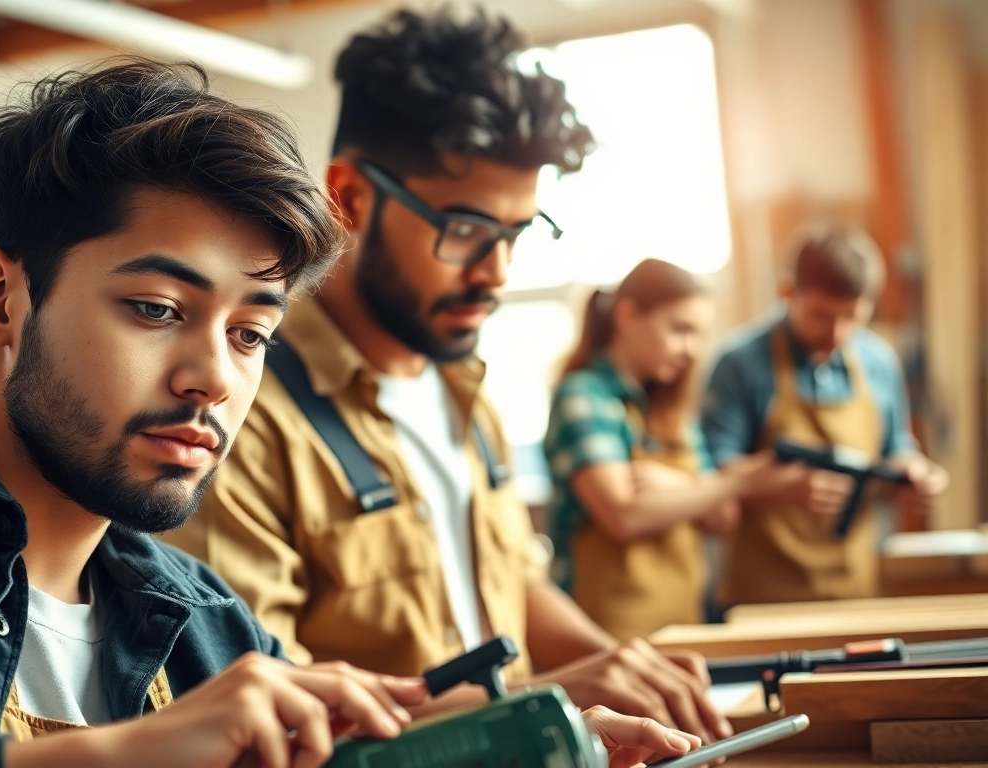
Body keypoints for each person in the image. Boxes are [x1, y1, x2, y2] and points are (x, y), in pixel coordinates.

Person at [0, 59, 702, 768]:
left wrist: (540, 738)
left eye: (251, 333)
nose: (213, 378)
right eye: (157, 309)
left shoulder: (200, 623)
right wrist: (124, 753)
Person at [164, 9, 733, 744]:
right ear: (351, 197)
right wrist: (545, 701)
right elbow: (264, 718)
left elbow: (510, 585)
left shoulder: (463, 387)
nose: (496, 272)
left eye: (517, 233)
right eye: (465, 230)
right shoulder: (241, 420)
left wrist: (616, 664)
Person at [702, 224, 948, 606]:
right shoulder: (739, 364)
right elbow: (714, 474)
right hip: (764, 597)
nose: (836, 333)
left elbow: (895, 447)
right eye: (821, 315)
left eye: (852, 317)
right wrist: (777, 485)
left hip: (855, 588)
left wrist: (912, 473)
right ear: (788, 293)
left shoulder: (878, 362)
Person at [544, 259, 770, 641]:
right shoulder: (583, 397)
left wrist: (674, 482)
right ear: (628, 315)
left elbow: (724, 520)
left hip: (684, 626)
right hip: (609, 635)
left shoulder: (673, 414)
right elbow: (624, 516)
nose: (692, 349)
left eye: (699, 334)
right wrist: (735, 484)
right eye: (680, 329)